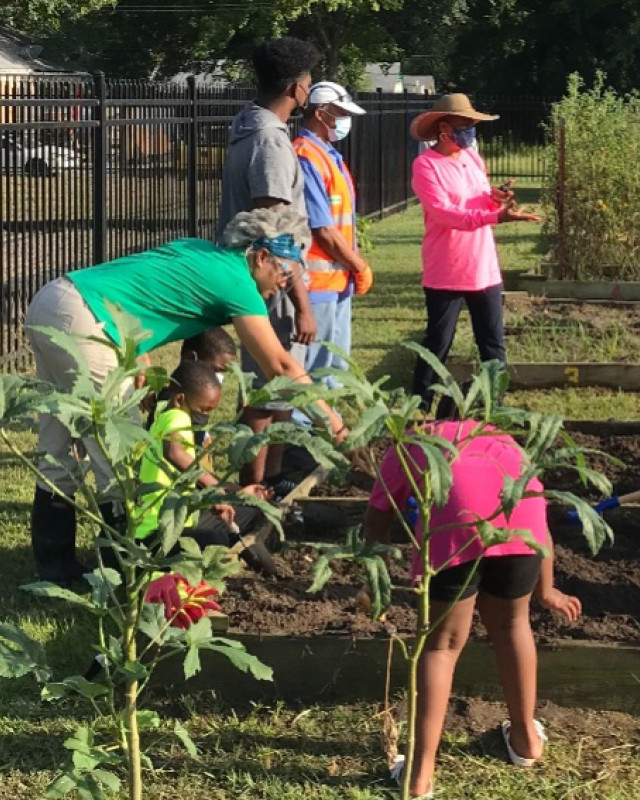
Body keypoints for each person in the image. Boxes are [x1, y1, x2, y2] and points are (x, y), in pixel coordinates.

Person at [24, 206, 348, 584]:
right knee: (121, 454)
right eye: (287, 273)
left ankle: (56, 567)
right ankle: (121, 574)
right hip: (86, 319)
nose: (286, 285)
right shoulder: (237, 283)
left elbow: (140, 290)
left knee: (59, 443)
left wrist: (137, 355)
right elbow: (281, 366)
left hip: (57, 299)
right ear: (261, 257)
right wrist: (336, 426)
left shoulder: (203, 252)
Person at [364, 418, 581, 798]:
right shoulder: (501, 440)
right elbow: (537, 512)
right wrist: (548, 590)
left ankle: (418, 778)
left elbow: (379, 514)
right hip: (523, 530)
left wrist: (373, 579)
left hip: (454, 531)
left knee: (442, 646)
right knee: (514, 627)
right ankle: (527, 740)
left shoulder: (408, 441)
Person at [217, 36, 320, 493]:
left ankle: (272, 483)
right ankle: (251, 491)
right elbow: (275, 233)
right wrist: (302, 304)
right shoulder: (268, 143)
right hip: (271, 286)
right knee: (266, 389)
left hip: (266, 282)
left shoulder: (252, 128)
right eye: (309, 82)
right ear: (297, 88)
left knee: (279, 391)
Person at [408, 94, 540, 409]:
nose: (470, 130)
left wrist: (495, 198)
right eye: (464, 124)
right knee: (438, 343)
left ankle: (495, 403)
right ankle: (420, 406)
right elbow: (445, 214)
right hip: (447, 269)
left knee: (493, 344)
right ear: (443, 127)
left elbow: (477, 199)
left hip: (484, 267)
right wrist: (496, 216)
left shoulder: (472, 159)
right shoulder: (426, 166)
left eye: (472, 124)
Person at [135, 361, 271, 555]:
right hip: (156, 533)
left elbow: (195, 471)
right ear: (180, 399)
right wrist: (214, 491)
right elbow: (173, 452)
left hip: (177, 521)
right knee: (215, 541)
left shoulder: (167, 418)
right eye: (204, 410)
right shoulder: (176, 416)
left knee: (251, 509)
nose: (207, 416)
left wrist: (238, 492)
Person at [293, 82, 373, 389]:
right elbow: (322, 229)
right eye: (340, 113)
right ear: (321, 114)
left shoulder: (328, 155)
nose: (344, 121)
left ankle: (329, 427)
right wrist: (359, 264)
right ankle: (307, 430)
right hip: (318, 283)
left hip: (337, 280)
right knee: (314, 369)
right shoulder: (306, 156)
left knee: (334, 368)